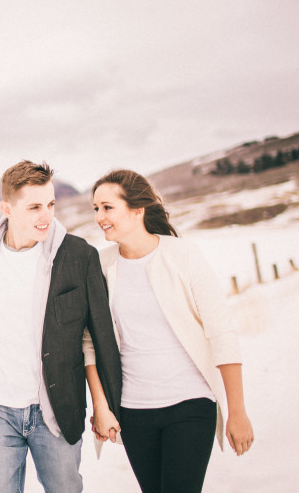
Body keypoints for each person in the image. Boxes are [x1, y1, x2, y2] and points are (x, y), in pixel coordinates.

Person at [0, 160, 122, 493]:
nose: (46, 216)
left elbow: (97, 336)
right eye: (34, 207)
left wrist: (104, 406)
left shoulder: (78, 255)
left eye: (50, 204)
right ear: (7, 208)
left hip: (55, 409)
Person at [83, 169, 254, 493]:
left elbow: (221, 332)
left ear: (137, 209)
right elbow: (89, 341)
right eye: (96, 209)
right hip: (134, 413)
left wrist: (237, 411)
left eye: (107, 207)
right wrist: (101, 407)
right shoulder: (101, 266)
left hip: (190, 405)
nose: (99, 217)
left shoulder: (182, 255)